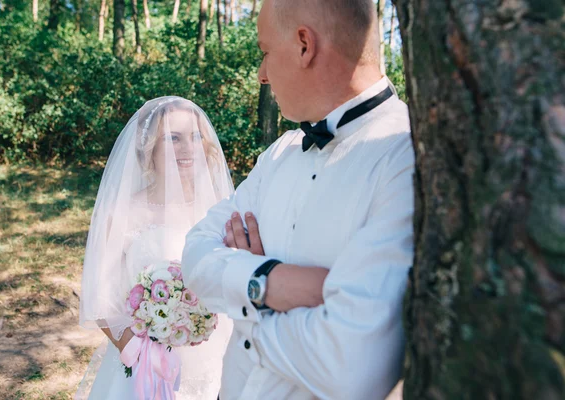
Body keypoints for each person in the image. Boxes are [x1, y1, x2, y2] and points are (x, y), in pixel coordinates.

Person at [181, 1, 414, 399]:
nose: (262, 75)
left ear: (305, 45)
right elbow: (195, 256)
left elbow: (351, 365)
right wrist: (269, 283)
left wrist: (246, 306)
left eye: (265, 52)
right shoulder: (280, 153)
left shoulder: (405, 157)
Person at [76, 97, 234, 399]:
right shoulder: (124, 212)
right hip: (145, 366)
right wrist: (138, 352)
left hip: (216, 358)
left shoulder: (221, 209)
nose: (188, 148)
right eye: (173, 138)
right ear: (149, 148)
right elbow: (100, 295)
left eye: (195, 137)